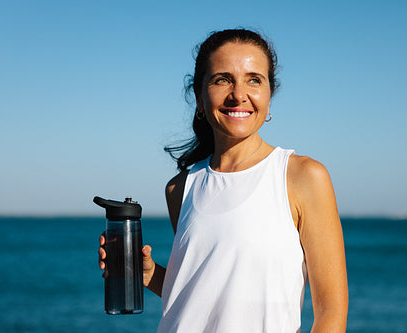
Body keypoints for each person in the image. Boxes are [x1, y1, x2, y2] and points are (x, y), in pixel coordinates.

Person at [99, 28, 348, 332]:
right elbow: (201, 295)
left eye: (254, 80)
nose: (238, 94)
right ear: (199, 97)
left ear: (270, 95)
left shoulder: (302, 177)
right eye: (222, 79)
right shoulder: (180, 188)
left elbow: (331, 313)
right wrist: (148, 274)